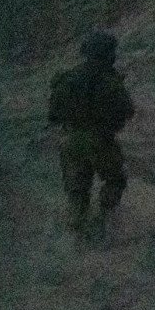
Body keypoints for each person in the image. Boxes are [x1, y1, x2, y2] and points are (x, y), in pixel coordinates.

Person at [47, 30, 134, 243]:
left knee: (77, 189)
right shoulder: (111, 82)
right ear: (107, 54)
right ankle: (103, 222)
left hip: (72, 141)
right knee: (115, 180)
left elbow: (53, 114)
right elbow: (127, 111)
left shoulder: (67, 79)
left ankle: (77, 233)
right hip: (101, 141)